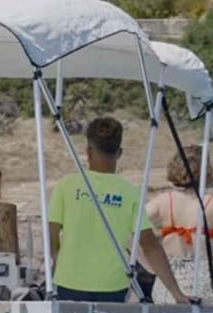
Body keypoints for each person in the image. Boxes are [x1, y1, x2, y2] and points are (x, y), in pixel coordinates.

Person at [47, 116, 188, 303]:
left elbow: (51, 235)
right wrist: (177, 293)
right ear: (119, 153)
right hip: (112, 286)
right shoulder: (130, 192)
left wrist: (58, 261)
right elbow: (150, 246)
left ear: (88, 151)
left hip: (69, 281)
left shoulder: (66, 186)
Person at [145, 145, 213, 305]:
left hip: (170, 281)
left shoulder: (162, 202)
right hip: (207, 280)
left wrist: (148, 264)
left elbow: (130, 228)